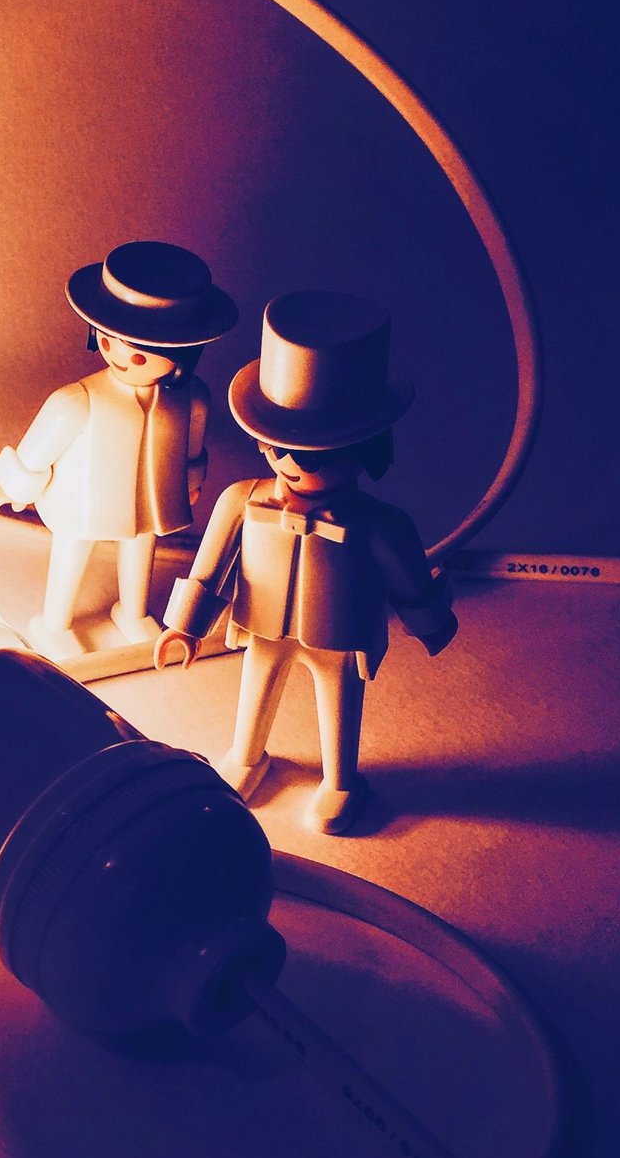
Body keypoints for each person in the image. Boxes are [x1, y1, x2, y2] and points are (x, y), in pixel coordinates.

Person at [156, 291, 456, 834]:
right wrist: (185, 626)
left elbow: (410, 581)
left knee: (337, 707)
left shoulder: (378, 523)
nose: (288, 463)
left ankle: (341, 781)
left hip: (339, 634)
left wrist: (432, 624)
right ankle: (247, 757)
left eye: (314, 455)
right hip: (262, 625)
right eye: (275, 447)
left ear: (366, 450)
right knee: (254, 694)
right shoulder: (241, 500)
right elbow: (210, 568)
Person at [0, 240, 238, 658]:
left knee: (141, 546)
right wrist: (12, 486)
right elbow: (35, 454)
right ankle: (54, 622)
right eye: (108, 341)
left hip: (150, 497)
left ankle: (133, 612)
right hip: (81, 499)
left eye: (139, 356)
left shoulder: (191, 399)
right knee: (72, 549)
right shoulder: (76, 401)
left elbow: (192, 449)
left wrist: (191, 481)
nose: (120, 355)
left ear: (182, 356)